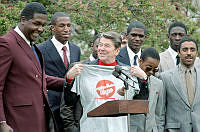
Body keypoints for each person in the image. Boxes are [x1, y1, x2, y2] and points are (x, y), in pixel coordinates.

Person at [60, 31, 144, 132]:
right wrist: (69, 79)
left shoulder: (128, 72)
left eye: (107, 46)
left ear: (117, 51)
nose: (101, 49)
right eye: (100, 45)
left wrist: (144, 80)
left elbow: (141, 104)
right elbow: (69, 101)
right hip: (89, 128)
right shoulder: (83, 70)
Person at [0, 2, 65, 132]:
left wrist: (69, 81)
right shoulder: (6, 43)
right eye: (36, 24)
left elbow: (38, 79)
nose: (40, 29)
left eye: (43, 25)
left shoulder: (32, 45)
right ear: (23, 20)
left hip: (39, 120)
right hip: (18, 122)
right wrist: (1, 123)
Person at [37, 12, 81, 132]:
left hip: (71, 107)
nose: (66, 29)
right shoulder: (40, 49)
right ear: (53, 28)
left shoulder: (76, 49)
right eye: (62, 26)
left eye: (68, 25)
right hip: (51, 107)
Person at [118, 48, 163, 132]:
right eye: (148, 68)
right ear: (140, 61)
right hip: (132, 128)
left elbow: (159, 112)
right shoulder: (128, 78)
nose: (151, 72)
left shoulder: (158, 83)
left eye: (155, 70)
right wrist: (143, 79)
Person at [160, 38, 200, 132]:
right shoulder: (165, 77)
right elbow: (160, 111)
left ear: (197, 53)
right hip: (175, 129)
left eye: (192, 50)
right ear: (178, 53)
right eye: (185, 50)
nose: (189, 53)